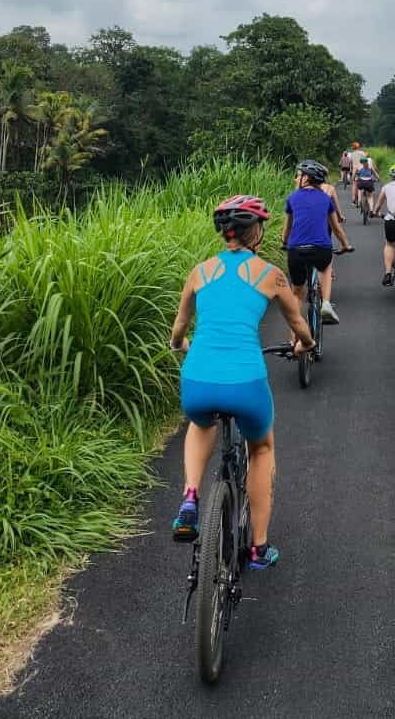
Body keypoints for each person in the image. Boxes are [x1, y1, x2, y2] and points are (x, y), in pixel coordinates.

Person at [168, 195, 316, 571]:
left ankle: (189, 498)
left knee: (201, 423)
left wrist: (179, 345)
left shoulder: (199, 271)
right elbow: (298, 324)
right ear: (257, 233)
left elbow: (179, 328)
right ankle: (258, 548)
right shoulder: (271, 274)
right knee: (262, 449)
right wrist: (306, 345)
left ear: (225, 233)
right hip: (246, 381)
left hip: (198, 377)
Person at [282, 160, 352, 326]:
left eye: (297, 176)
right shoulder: (325, 198)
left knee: (297, 294)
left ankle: (294, 340)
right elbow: (336, 229)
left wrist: (284, 242)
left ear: (306, 178)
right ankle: (326, 303)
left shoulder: (292, 198)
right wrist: (345, 245)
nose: (295, 179)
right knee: (326, 266)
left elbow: (287, 229)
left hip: (296, 251)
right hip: (321, 250)